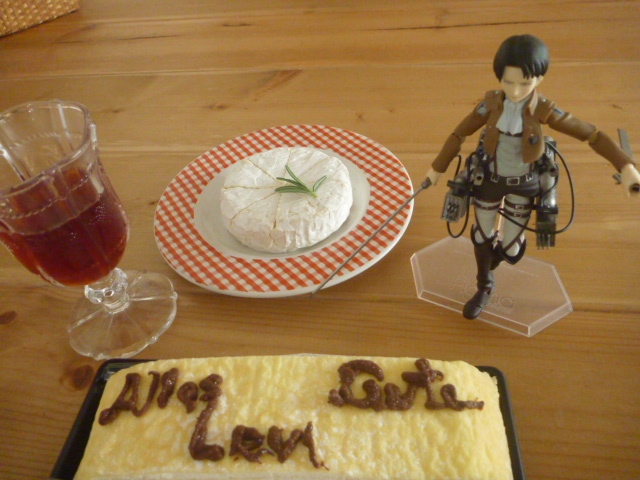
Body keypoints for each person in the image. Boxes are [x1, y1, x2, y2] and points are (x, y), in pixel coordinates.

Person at [425, 34, 640, 320]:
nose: (515, 91)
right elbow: (458, 133)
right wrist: (436, 169)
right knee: (481, 235)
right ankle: (484, 285)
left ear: (539, 79)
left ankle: (490, 264)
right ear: (499, 78)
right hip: (489, 180)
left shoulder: (544, 109)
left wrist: (625, 166)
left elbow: (592, 134)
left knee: (512, 248)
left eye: (525, 83)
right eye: (508, 82)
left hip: (523, 184)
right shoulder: (490, 104)